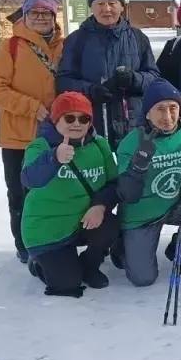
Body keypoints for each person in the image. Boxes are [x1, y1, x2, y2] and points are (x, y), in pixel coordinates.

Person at [113, 79, 181, 287]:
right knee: (143, 279)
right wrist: (138, 165)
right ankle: (122, 246)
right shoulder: (131, 142)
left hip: (173, 206)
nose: (167, 116)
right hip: (141, 216)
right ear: (148, 113)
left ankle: (179, 247)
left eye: (173, 108)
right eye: (160, 109)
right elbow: (127, 195)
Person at [0, 0, 65, 263]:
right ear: (25, 16)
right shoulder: (10, 47)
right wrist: (33, 108)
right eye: (35, 13)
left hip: (58, 135)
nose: (41, 18)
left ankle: (55, 240)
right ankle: (25, 246)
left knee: (55, 192)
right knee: (21, 194)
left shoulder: (65, 47)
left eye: (47, 14)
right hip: (18, 136)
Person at [19, 92, 120, 297]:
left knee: (111, 224)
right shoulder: (41, 146)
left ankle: (89, 266)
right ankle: (39, 264)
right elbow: (30, 179)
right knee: (66, 284)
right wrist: (54, 158)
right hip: (48, 229)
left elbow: (113, 182)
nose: (77, 123)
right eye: (69, 118)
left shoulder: (99, 145)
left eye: (83, 118)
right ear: (56, 119)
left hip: (82, 221)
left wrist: (100, 205)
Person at [57, 0, 160, 149]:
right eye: (100, 4)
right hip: (90, 124)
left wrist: (134, 79)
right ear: (91, 7)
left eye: (112, 3)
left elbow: (154, 76)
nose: (107, 9)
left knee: (131, 174)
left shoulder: (138, 38)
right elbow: (63, 81)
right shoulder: (76, 40)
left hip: (133, 124)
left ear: (121, 6)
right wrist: (91, 90)